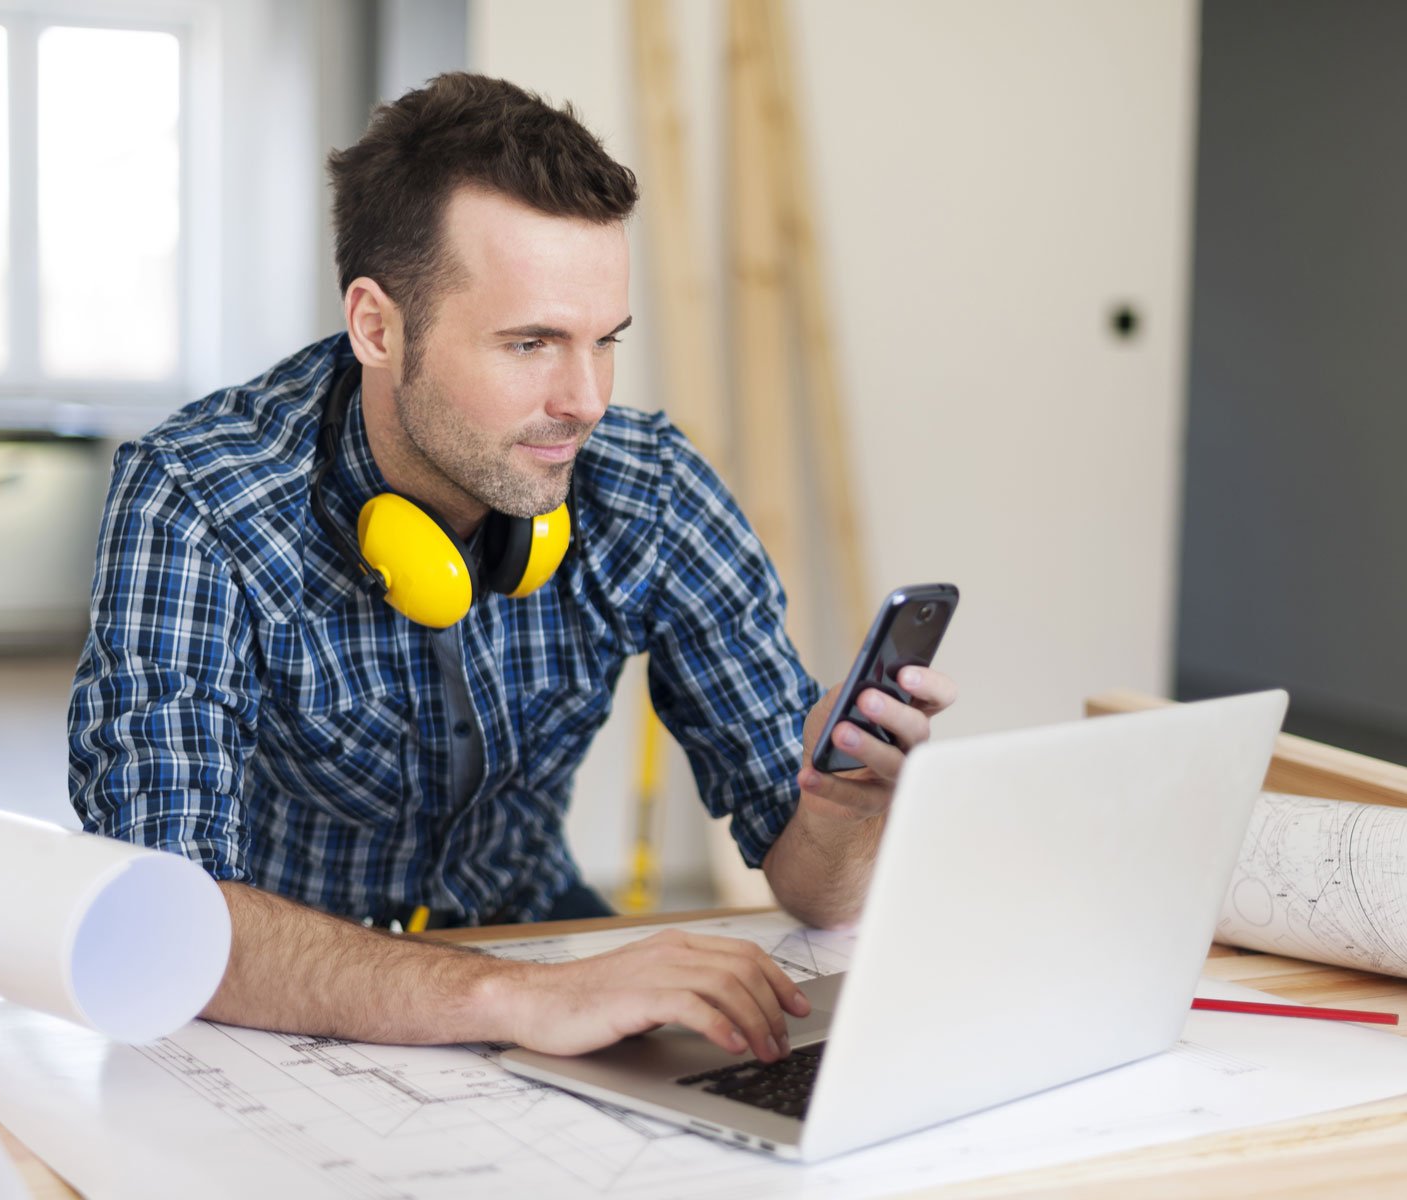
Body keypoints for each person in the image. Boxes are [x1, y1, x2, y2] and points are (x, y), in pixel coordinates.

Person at [68, 73, 955, 1064]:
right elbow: (165, 922)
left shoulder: (645, 485)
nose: (583, 401)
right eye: (531, 343)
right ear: (376, 325)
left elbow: (816, 890)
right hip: (283, 985)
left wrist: (841, 811)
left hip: (530, 929)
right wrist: (518, 999)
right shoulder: (198, 496)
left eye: (604, 342)